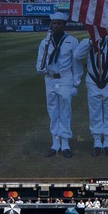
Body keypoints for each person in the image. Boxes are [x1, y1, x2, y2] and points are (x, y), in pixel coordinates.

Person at [35, 11, 81, 157]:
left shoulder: (72, 41)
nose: (56, 26)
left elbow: (77, 65)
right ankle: (55, 143)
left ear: (64, 25)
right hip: (50, 79)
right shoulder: (45, 42)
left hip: (65, 79)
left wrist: (76, 84)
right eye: (53, 23)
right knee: (53, 112)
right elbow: (39, 64)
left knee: (65, 112)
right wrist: (40, 68)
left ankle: (65, 144)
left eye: (59, 23)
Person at [76, 26, 108, 157]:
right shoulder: (85, 43)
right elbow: (77, 55)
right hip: (93, 82)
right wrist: (90, 43)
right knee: (95, 112)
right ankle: (97, 142)